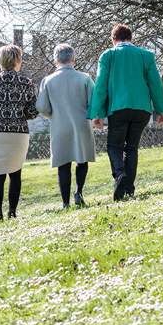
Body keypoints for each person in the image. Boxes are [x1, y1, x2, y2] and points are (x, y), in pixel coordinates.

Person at [87, 24, 163, 201]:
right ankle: (128, 189)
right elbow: (156, 84)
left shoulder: (108, 55)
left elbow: (101, 86)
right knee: (131, 148)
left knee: (114, 146)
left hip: (118, 109)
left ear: (113, 40)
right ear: (131, 39)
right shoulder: (146, 55)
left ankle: (119, 175)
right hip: (142, 110)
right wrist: (160, 110)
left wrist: (97, 113)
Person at [0, 44, 39, 222]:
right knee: (15, 173)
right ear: (17, 61)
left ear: (0, 61)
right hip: (18, 133)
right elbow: (33, 112)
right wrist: (21, 115)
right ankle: (12, 212)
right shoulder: (26, 82)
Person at [36, 43, 97, 209]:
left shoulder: (47, 81)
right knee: (82, 160)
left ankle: (65, 202)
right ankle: (79, 192)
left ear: (55, 61)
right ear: (73, 59)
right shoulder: (85, 78)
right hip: (82, 124)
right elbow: (94, 103)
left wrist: (54, 116)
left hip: (59, 125)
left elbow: (41, 107)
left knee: (63, 164)